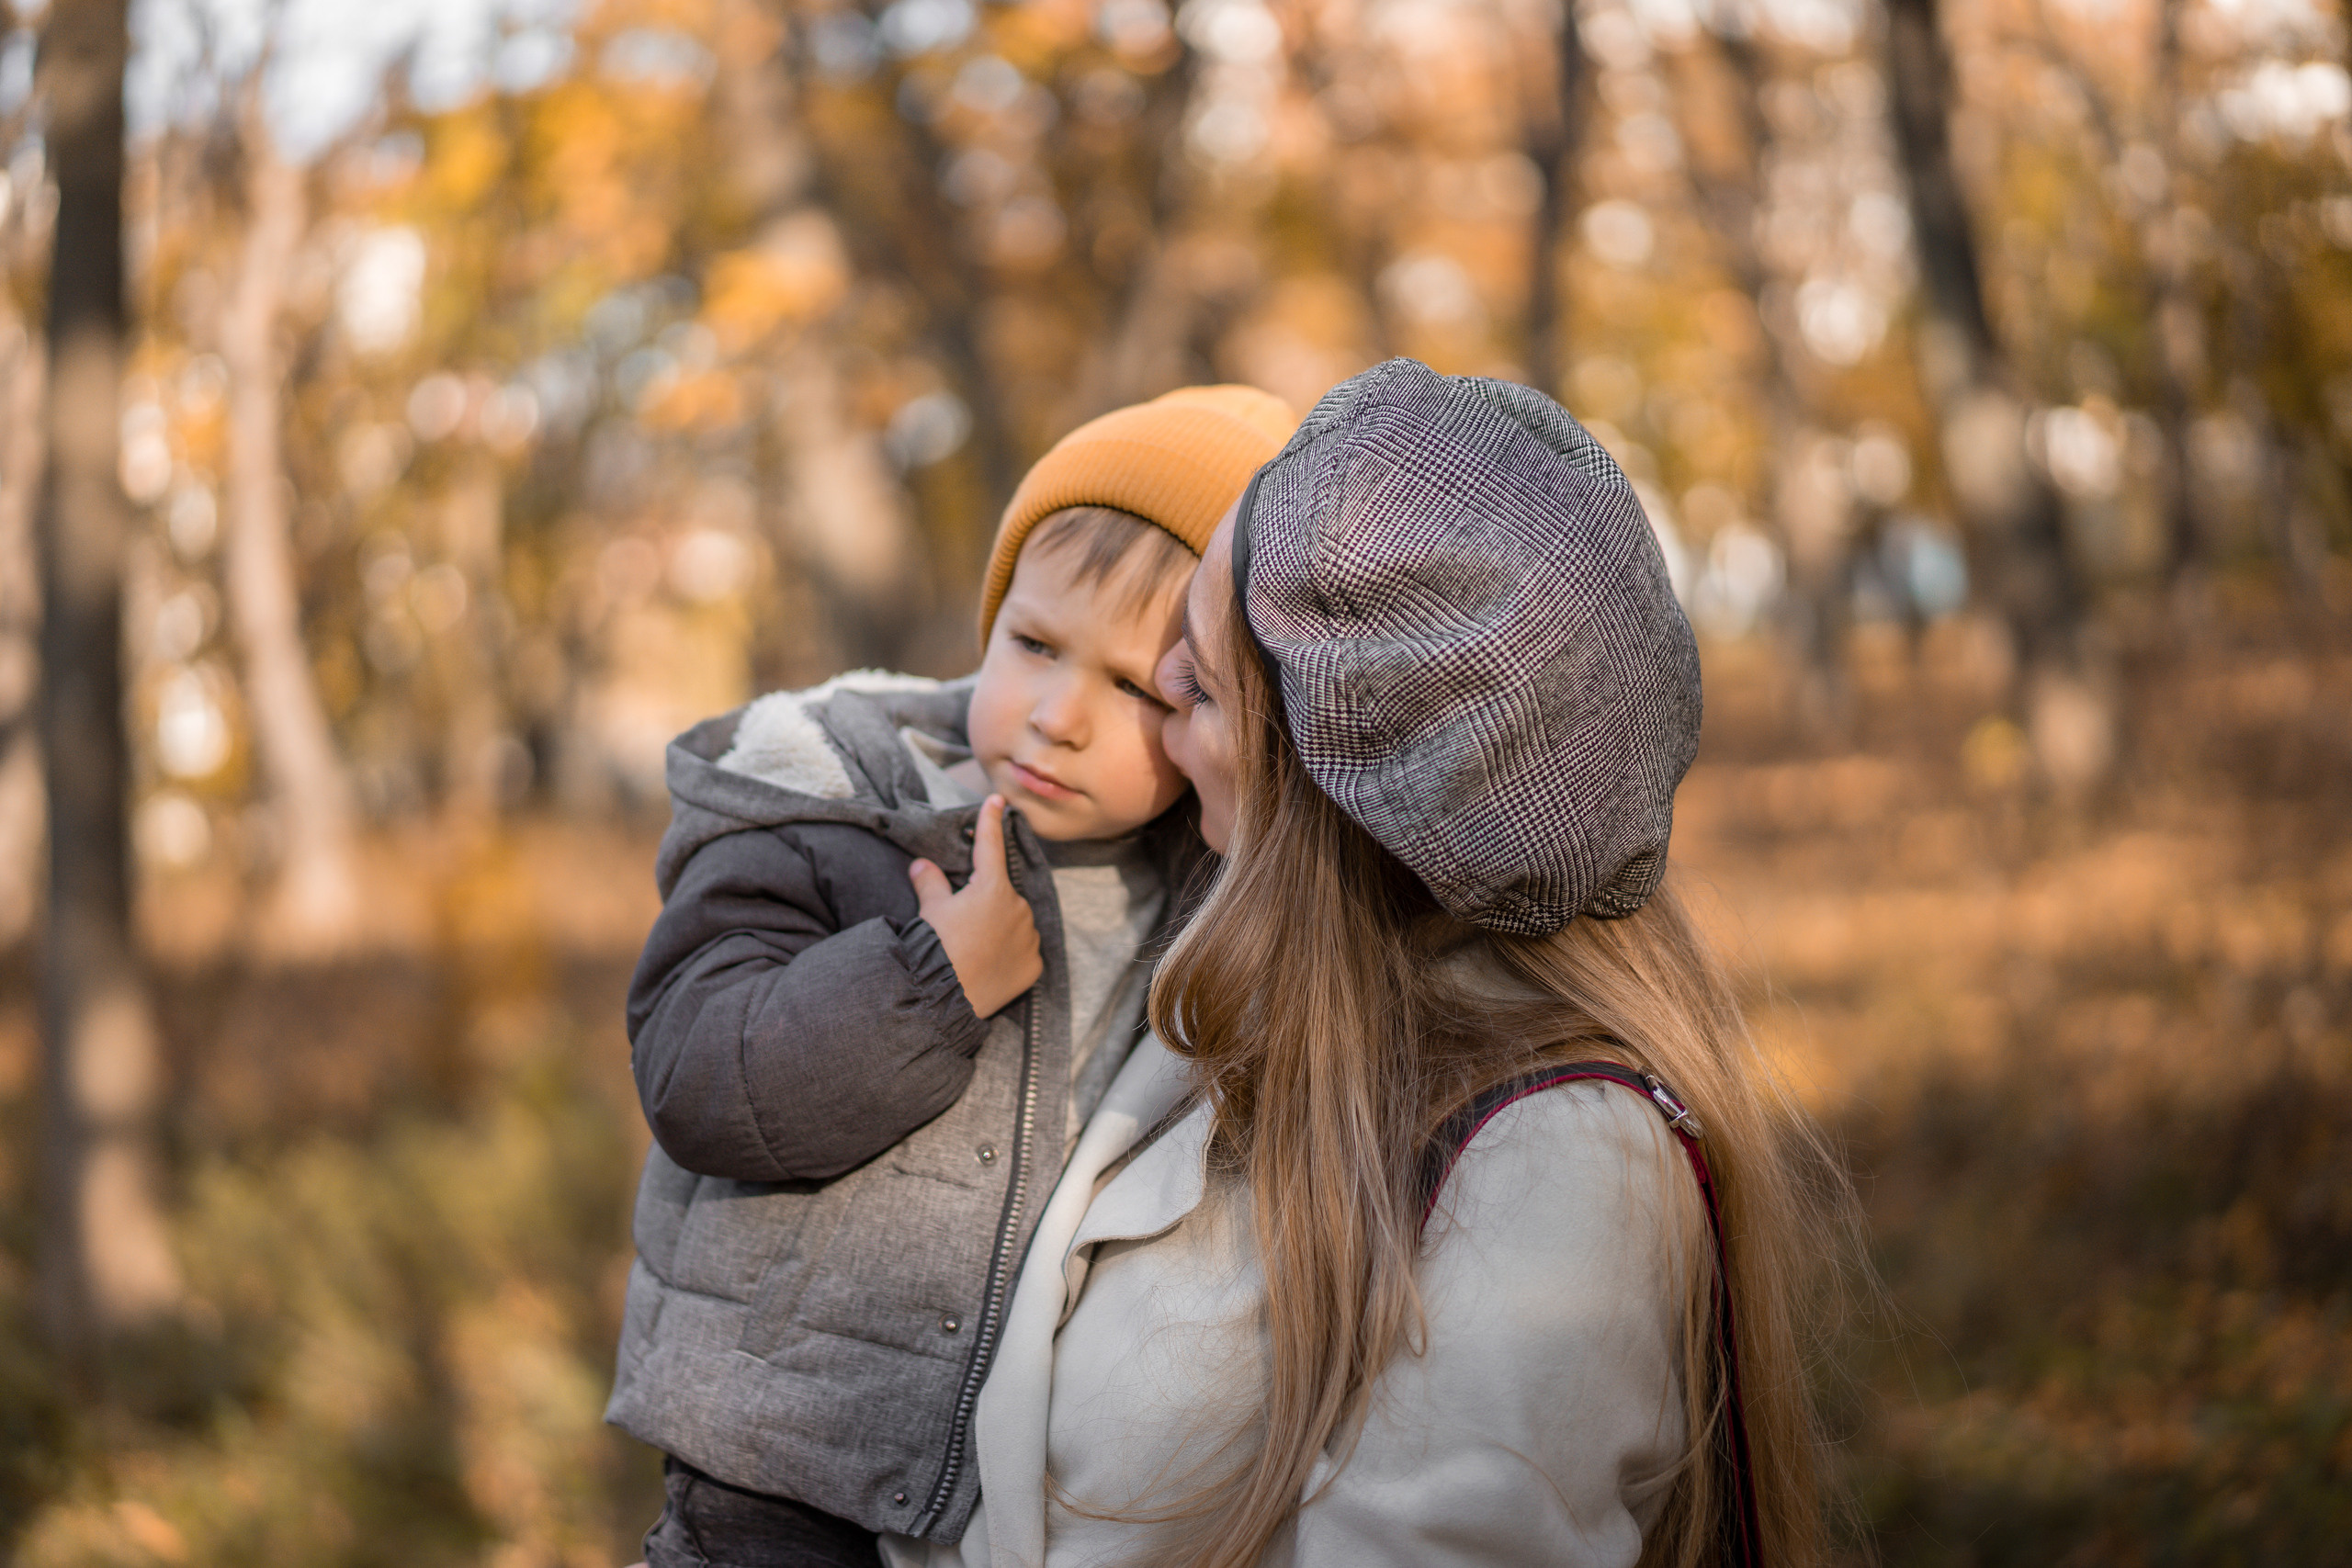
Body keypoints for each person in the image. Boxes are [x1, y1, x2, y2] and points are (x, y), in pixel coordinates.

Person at [883, 359, 1850, 1568]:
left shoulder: (1557, 1168)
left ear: (1331, 794)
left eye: (1200, 680)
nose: (1158, 705)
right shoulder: (1241, 1002)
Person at [608, 385, 1299, 1568]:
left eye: (1140, 688)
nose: (1058, 717)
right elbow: (696, 1078)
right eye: (1034, 646)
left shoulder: (1207, 891)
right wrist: (931, 986)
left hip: (995, 1502)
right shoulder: (832, 807)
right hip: (773, 1480)